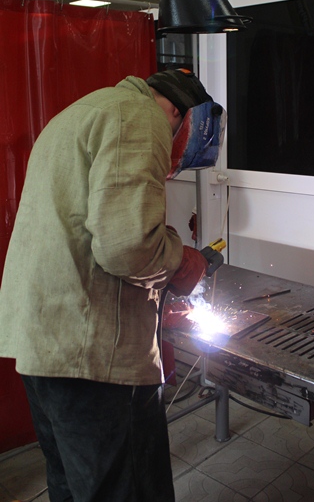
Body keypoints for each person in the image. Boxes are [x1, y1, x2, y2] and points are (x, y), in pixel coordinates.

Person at [0, 69, 220, 502]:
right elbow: (128, 247)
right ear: (179, 114)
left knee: (72, 485)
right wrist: (180, 261)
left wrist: (152, 293)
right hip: (94, 359)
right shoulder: (140, 116)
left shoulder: (84, 110)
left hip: (42, 341)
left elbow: (85, 231)